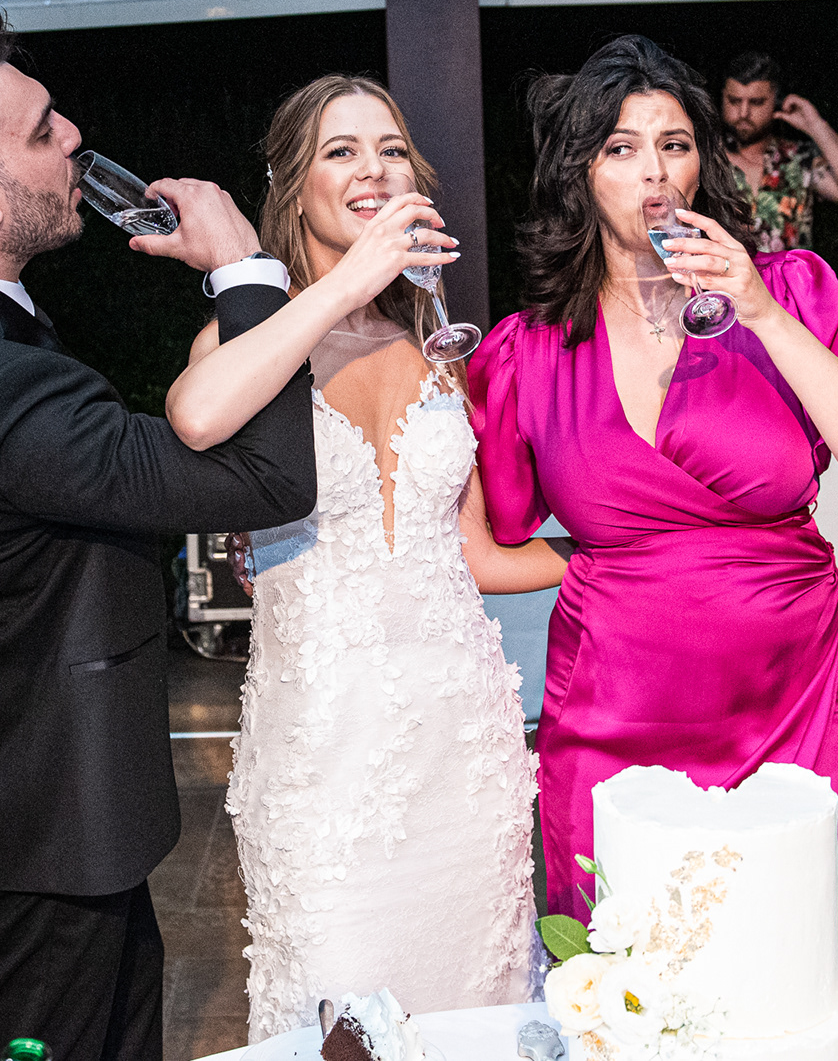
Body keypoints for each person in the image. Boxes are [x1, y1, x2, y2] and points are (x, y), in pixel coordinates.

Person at [0, 11, 318, 1061]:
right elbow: (269, 480)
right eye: (43, 130)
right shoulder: (8, 393)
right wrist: (243, 269)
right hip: (53, 799)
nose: (75, 136)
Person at [472, 36, 838, 951]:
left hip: (791, 702)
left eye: (674, 144)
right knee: (613, 981)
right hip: (611, 707)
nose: (654, 170)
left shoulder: (791, 291)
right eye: (621, 147)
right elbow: (488, 546)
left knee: (781, 968)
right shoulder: (529, 350)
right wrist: (614, 563)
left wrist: (759, 309)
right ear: (579, 173)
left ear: (700, 165)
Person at [162, 75, 568, 1040]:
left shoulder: (436, 351)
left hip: (464, 748)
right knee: (338, 1021)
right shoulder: (251, 336)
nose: (372, 169)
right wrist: (345, 283)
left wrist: (632, 549)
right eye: (340, 151)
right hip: (326, 760)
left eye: (389, 150)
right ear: (290, 183)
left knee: (481, 1010)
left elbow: (472, 555)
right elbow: (197, 417)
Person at [720, 51, 838, 252]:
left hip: (792, 273)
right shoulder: (706, 157)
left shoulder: (798, 159)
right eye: (734, 101)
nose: (743, 113)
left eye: (757, 102)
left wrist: (816, 126)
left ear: (776, 101)